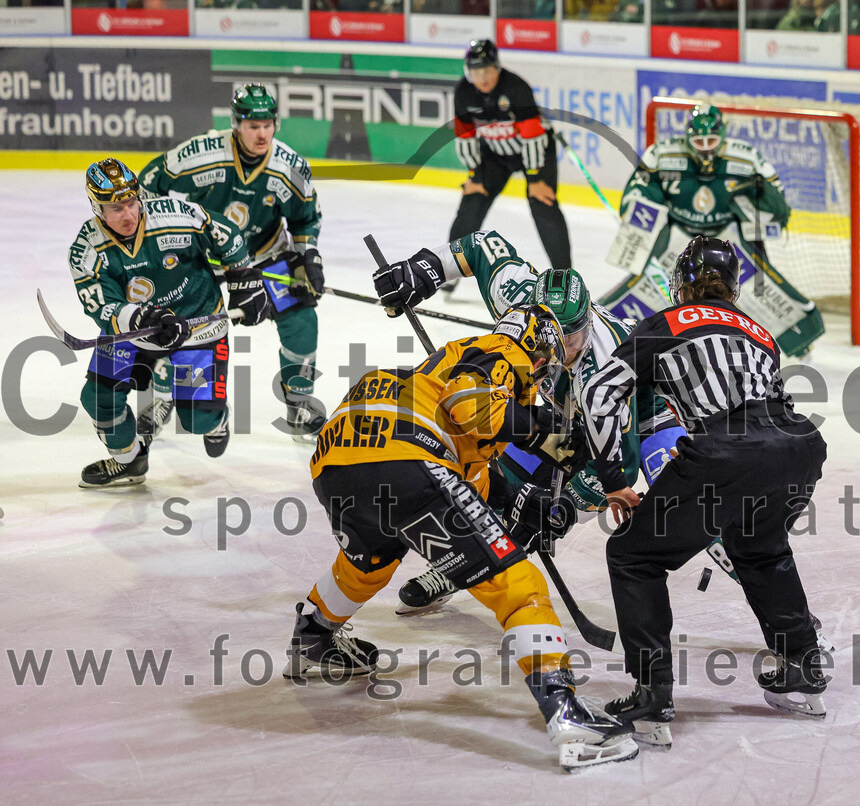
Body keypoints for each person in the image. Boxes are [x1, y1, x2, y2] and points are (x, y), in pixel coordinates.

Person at [285, 304, 638, 772]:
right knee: (521, 585)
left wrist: (521, 499)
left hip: (338, 467)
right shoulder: (504, 351)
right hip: (407, 456)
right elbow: (473, 410)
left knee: (369, 560)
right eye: (546, 364)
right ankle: (568, 716)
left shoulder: (439, 373)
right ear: (540, 349)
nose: (541, 381)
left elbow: (469, 474)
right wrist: (541, 432)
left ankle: (312, 634)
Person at [580, 236, 829, 750]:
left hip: (727, 451)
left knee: (632, 557)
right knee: (760, 549)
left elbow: (600, 393)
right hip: (798, 445)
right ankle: (804, 669)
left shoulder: (663, 324)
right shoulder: (761, 332)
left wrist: (613, 481)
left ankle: (652, 695)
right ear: (733, 285)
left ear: (683, 282)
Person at [372, 229, 692, 613]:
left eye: (571, 337)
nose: (560, 347)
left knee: (694, 505)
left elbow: (617, 464)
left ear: (588, 323)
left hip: (649, 415)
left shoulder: (605, 368)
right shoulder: (520, 302)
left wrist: (568, 506)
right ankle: (463, 561)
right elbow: (480, 246)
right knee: (498, 480)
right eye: (550, 334)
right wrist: (421, 271)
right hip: (568, 410)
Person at [139, 82, 326, 444]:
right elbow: (149, 184)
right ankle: (162, 398)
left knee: (301, 317)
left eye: (267, 124)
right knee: (169, 324)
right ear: (236, 123)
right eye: (253, 125)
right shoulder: (200, 154)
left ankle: (299, 402)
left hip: (263, 255)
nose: (261, 133)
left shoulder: (290, 168)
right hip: (202, 258)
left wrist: (308, 255)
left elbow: (305, 218)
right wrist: (160, 241)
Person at [70, 157, 269, 487]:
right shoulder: (86, 249)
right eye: (116, 208)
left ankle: (213, 417)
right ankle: (130, 461)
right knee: (98, 398)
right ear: (96, 208)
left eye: (132, 202)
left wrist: (244, 280)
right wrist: (145, 316)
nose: (129, 214)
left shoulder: (176, 215)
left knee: (198, 420)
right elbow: (103, 308)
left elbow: (228, 235)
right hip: (137, 331)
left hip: (198, 323)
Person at [609, 102, 823, 357]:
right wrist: (636, 209)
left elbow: (779, 207)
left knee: (757, 287)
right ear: (688, 137)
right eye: (699, 141)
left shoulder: (747, 157)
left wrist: (760, 193)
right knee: (649, 285)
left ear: (722, 137)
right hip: (679, 232)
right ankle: (616, 334)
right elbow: (638, 192)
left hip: (727, 234)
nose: (705, 148)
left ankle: (795, 340)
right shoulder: (661, 154)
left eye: (711, 140)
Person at [449, 40, 571, 274]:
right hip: (495, 154)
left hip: (536, 152)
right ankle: (449, 268)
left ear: (497, 67)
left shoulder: (515, 87)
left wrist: (535, 179)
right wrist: (474, 175)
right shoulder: (464, 92)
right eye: (476, 72)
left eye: (487, 71)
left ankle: (565, 276)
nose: (482, 78)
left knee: (543, 203)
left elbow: (533, 137)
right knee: (472, 201)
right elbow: (464, 136)